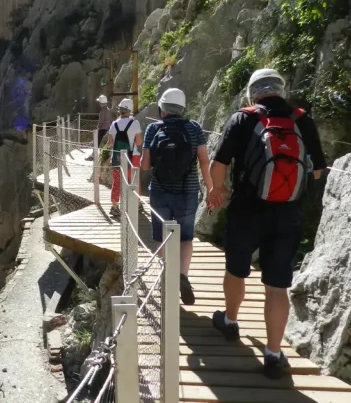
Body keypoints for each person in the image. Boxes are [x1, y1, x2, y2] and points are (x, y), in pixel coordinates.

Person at [206, 68, 326, 379]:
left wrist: (217, 190)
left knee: (236, 269)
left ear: (253, 93)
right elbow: (316, 171)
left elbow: (219, 164)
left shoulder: (243, 119)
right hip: (288, 212)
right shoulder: (301, 119)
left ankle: (230, 322)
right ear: (280, 91)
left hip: (246, 209)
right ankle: (273, 354)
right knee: (277, 285)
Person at [141, 88, 211, 305]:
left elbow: (144, 165)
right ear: (182, 108)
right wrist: (210, 189)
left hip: (160, 191)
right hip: (188, 192)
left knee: (162, 237)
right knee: (186, 237)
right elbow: (204, 160)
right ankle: (182, 275)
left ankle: (165, 278)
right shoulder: (194, 128)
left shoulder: (153, 128)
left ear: (162, 109)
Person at [105, 98, 142, 219]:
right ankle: (136, 204)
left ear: (120, 110)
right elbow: (139, 142)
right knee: (134, 181)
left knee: (117, 182)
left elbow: (110, 143)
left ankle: (115, 207)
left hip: (117, 158)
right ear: (130, 110)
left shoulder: (114, 124)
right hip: (133, 156)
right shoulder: (135, 123)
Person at [86, 95, 112, 162]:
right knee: (103, 144)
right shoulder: (108, 110)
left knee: (96, 143)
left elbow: (101, 121)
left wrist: (98, 127)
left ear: (101, 103)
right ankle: (102, 157)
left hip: (102, 129)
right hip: (107, 129)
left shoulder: (103, 111)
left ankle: (93, 156)